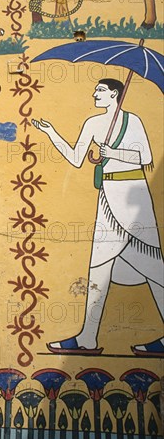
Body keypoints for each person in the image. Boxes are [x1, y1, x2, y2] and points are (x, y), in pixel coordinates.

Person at [32, 78, 163, 357]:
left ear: (114, 94)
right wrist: (51, 132)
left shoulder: (132, 120)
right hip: (107, 194)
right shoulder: (93, 123)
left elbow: (146, 156)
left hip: (134, 194)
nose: (94, 93)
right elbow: (76, 158)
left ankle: (88, 337)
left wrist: (111, 152)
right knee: (98, 267)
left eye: (100, 91)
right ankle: (88, 338)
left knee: (155, 269)